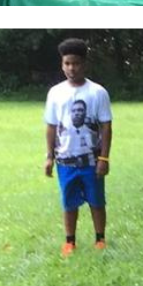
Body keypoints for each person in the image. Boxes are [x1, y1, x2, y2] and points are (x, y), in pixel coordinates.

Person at [43, 38, 112, 256]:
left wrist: (104, 158)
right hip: (66, 160)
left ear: (85, 64)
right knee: (69, 202)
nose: (72, 68)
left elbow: (106, 126)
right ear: (62, 64)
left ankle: (100, 238)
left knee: (96, 200)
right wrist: (49, 157)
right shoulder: (55, 93)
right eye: (67, 64)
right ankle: (70, 241)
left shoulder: (97, 92)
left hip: (92, 160)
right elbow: (51, 127)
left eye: (76, 63)